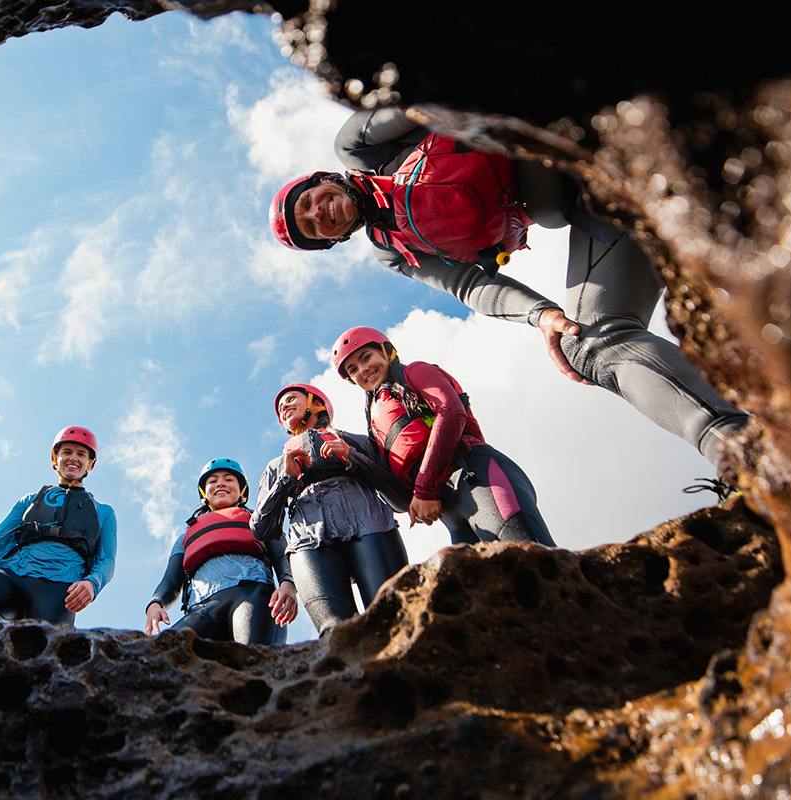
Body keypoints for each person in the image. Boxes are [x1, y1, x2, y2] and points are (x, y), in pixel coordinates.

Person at [269, 108, 748, 470]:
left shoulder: (358, 147)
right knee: (587, 345)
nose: (318, 214)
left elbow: (427, 97)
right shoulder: (392, 250)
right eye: (312, 228)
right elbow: (471, 284)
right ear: (331, 241)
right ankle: (742, 450)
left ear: (323, 181)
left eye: (309, 202)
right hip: (597, 203)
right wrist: (541, 316)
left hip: (588, 127)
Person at [334, 326, 555, 546]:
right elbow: (401, 500)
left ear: (386, 351)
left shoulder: (414, 372)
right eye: (353, 369)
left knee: (532, 562)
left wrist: (425, 490)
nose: (362, 369)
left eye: (366, 357)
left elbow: (452, 412)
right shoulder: (375, 419)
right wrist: (353, 458)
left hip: (476, 477)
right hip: (447, 509)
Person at [251, 382, 410, 635]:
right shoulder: (276, 466)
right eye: (280, 408)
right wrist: (286, 479)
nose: (284, 408)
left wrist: (353, 458)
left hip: (371, 525)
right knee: (335, 633)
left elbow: (401, 499)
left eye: (291, 399)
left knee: (393, 617)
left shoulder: (358, 442)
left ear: (315, 403)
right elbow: (261, 529)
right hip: (309, 542)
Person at [0, 426, 117, 626]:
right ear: (55, 459)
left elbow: (107, 560)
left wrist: (93, 583)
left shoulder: (104, 512)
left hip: (60, 588)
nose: (73, 458)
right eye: (66, 452)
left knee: (50, 647)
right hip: (10, 575)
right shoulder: (29, 501)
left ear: (90, 464)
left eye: (81, 454)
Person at [144, 459, 298, 644]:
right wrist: (155, 603)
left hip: (254, 596)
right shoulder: (186, 536)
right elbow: (171, 580)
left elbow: (282, 556)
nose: (221, 483)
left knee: (254, 659)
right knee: (162, 653)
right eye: (212, 481)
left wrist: (288, 584)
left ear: (242, 491)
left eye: (229, 479)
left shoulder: (260, 520)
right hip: (202, 608)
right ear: (204, 493)